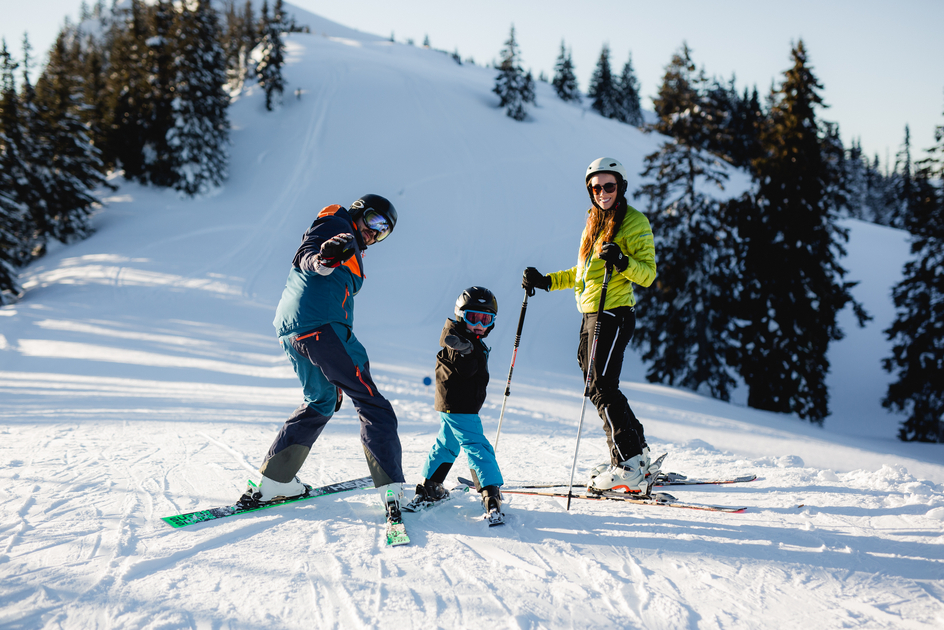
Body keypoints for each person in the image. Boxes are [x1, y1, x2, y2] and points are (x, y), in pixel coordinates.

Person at [238, 194, 405, 515]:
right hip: (322, 326)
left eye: (384, 231)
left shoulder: (348, 244)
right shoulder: (336, 224)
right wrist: (322, 261)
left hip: (293, 329)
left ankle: (275, 481)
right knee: (373, 403)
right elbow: (308, 252)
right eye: (374, 220)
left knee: (321, 401)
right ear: (358, 212)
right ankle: (392, 488)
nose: (375, 232)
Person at [522, 158, 657, 494]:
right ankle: (637, 453)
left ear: (621, 187)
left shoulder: (634, 222)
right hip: (591, 313)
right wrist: (547, 281)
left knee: (601, 387)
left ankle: (627, 463)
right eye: (595, 188)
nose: (602, 192)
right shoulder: (594, 221)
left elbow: (648, 274)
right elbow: (583, 274)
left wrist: (622, 261)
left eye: (609, 186)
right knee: (598, 385)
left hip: (613, 312)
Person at [407, 286, 505, 522]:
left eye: (485, 319)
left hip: (451, 406)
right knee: (477, 446)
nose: (479, 324)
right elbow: (464, 368)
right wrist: (466, 351)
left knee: (447, 444)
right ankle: (490, 493)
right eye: (473, 318)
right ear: (461, 316)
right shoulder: (457, 341)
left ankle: (430, 486)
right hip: (461, 407)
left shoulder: (464, 338)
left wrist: (470, 348)